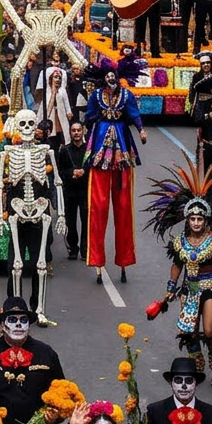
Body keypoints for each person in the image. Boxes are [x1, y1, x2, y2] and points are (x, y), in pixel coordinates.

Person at [146, 156, 212, 387]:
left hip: (211, 289)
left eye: (199, 219)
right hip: (189, 289)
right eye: (192, 218)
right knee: (189, 332)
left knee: (210, 331)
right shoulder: (179, 242)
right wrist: (170, 289)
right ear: (187, 220)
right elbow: (177, 265)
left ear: (206, 220)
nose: (195, 222)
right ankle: (197, 364)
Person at [83, 60, 147, 283]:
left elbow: (134, 115)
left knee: (123, 208)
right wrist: (87, 129)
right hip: (100, 148)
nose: (111, 79)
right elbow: (89, 116)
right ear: (104, 78)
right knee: (98, 207)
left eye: (114, 76)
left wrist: (141, 130)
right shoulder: (96, 95)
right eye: (108, 76)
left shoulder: (127, 95)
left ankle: (124, 259)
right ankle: (97, 259)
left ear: (118, 77)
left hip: (122, 152)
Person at [57, 122, 89, 261]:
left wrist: (84, 172)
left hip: (85, 191)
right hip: (70, 192)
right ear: (70, 133)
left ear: (83, 132)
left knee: (86, 222)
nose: (76, 133)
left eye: (78, 130)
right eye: (73, 130)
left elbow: (93, 168)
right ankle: (73, 249)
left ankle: (85, 250)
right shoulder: (65, 150)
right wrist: (72, 173)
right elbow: (60, 170)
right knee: (71, 222)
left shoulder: (89, 150)